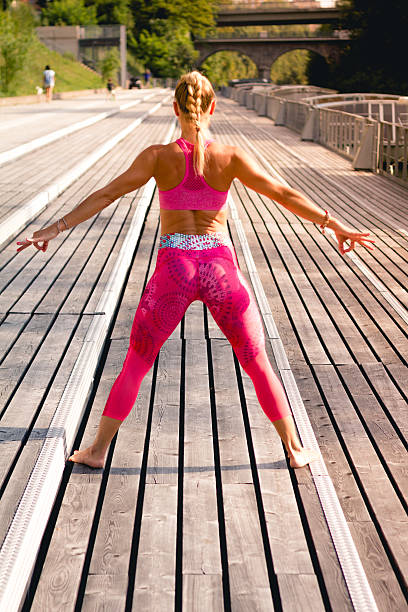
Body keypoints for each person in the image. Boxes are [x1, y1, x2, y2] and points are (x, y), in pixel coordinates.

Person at [16, 71, 374, 470]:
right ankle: (294, 449)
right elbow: (284, 194)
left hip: (175, 269)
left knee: (137, 360)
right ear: (213, 107)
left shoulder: (157, 156)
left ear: (175, 108)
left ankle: (98, 450)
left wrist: (52, 228)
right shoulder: (231, 157)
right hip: (220, 269)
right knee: (256, 361)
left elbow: (106, 194)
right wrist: (334, 224)